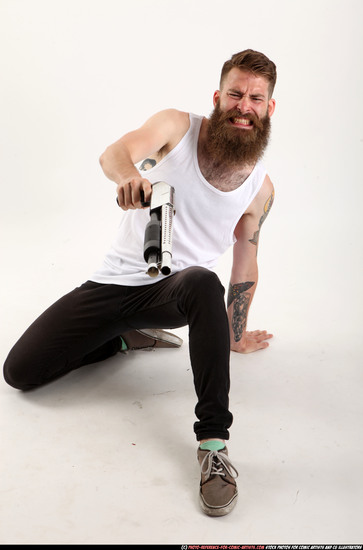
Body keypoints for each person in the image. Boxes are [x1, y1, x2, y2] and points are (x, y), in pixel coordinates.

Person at [3, 49, 277, 517]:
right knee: (20, 374)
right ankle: (125, 340)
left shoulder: (261, 189)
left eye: (255, 98)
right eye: (235, 94)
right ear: (218, 96)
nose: (243, 106)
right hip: (113, 284)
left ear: (269, 108)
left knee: (200, 280)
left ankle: (213, 445)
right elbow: (115, 153)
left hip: (177, 293)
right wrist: (130, 176)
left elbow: (245, 259)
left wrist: (234, 332)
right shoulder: (177, 127)